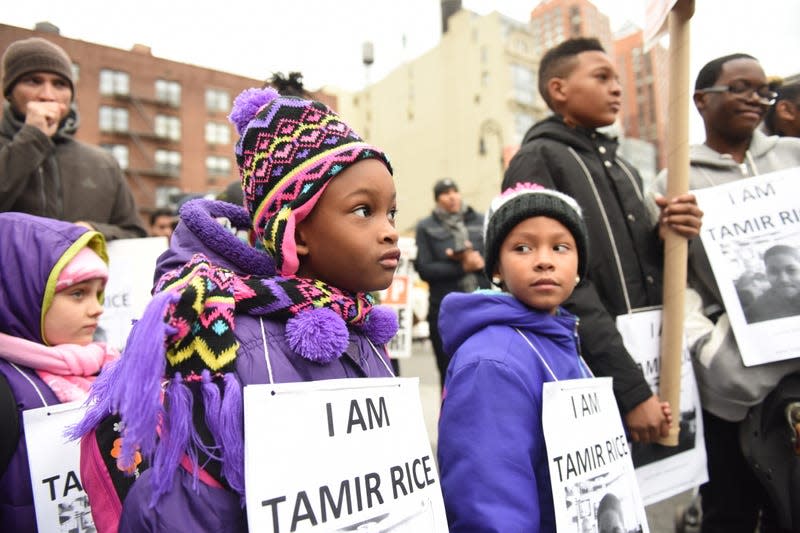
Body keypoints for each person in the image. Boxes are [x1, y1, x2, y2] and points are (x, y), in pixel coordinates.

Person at [72, 87, 400, 532]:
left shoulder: (358, 328)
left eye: (392, 213)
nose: (390, 232)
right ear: (295, 232)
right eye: (364, 210)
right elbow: (183, 508)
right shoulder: (221, 341)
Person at [502, 37, 702, 444]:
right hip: (593, 375)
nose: (617, 88)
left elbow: (647, 271)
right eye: (602, 77)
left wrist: (671, 236)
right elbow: (560, 286)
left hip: (656, 363)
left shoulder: (625, 167)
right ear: (559, 90)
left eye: (618, 78)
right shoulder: (538, 160)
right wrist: (630, 389)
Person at [437, 183, 661, 530]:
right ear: (496, 267)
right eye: (523, 247)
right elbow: (490, 508)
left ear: (578, 267)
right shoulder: (491, 362)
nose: (544, 260)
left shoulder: (561, 336)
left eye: (560, 247)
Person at [651, 53, 800, 533]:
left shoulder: (793, 157)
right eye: (741, 88)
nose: (756, 100)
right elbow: (672, 282)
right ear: (701, 99)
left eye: (763, 91)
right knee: (734, 506)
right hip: (737, 383)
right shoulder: (674, 182)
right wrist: (707, 347)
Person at [0, 212, 118, 531]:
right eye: (77, 293)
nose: (97, 308)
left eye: (97, 292)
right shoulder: (6, 389)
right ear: (22, 293)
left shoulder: (106, 365)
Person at [0, 37, 146, 240]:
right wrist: (32, 138)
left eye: (59, 84)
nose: (47, 95)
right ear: (9, 92)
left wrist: (93, 231)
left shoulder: (103, 163)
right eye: (33, 81)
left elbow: (136, 235)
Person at [414, 178, 490, 388]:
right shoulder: (426, 227)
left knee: (485, 368)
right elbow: (424, 269)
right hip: (445, 310)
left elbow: (498, 260)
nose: (452, 196)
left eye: (454, 191)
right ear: (437, 200)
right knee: (449, 371)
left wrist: (480, 263)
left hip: (481, 305)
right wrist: (461, 267)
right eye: (445, 193)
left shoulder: (480, 220)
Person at [744, 245, 800, 323]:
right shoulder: (756, 310)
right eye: (774, 271)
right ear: (766, 274)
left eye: (792, 270)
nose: (783, 279)